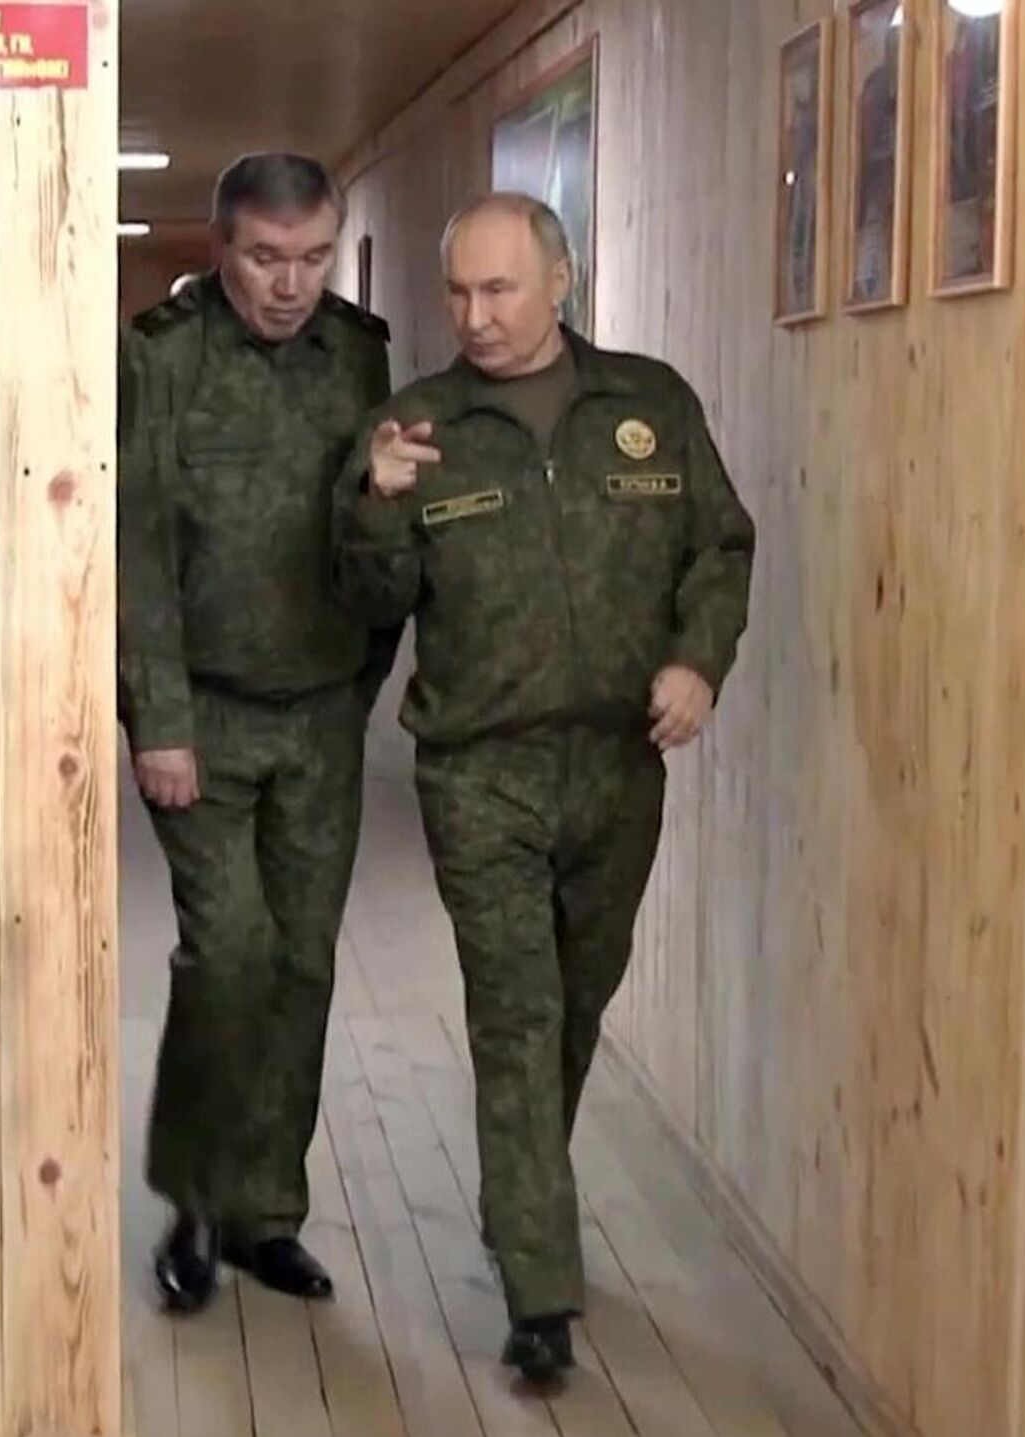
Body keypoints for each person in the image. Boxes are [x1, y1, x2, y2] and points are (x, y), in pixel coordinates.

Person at [329, 192, 755, 1384]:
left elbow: (720, 549)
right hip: (481, 768)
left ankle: (523, 1198)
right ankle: (538, 1292)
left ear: (560, 282)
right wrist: (376, 504)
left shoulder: (650, 406)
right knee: (516, 1013)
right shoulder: (416, 427)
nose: (473, 315)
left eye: (499, 289)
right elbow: (366, 600)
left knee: (576, 1000)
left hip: (621, 763)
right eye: (458, 292)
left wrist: (698, 661)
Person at [117, 151, 397, 1314]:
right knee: (229, 953)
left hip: (321, 716)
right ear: (219, 246)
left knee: (302, 964)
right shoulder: (161, 359)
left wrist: (358, 688)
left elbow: (377, 531)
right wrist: (159, 720)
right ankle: (192, 1198)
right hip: (206, 715)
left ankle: (263, 1213)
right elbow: (137, 552)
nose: (292, 285)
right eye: (267, 258)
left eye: (314, 258)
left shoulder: (360, 354)